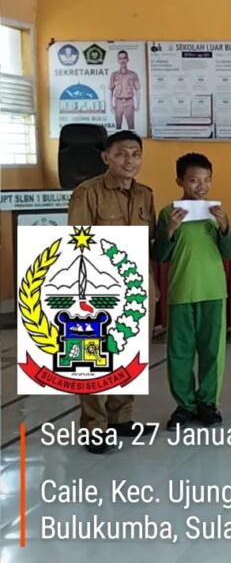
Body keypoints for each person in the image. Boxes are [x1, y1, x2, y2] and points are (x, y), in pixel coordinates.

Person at [66, 130, 157, 453]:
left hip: (138, 285)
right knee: (91, 357)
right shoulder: (87, 193)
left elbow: (149, 243)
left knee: (131, 351)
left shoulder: (145, 195)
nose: (129, 160)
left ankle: (121, 417)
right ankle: (93, 426)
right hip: (98, 287)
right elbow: (77, 242)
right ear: (106, 157)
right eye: (121, 154)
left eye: (135, 154)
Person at [155, 153, 231, 431]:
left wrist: (224, 226)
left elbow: (229, 252)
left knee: (213, 351)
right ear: (180, 181)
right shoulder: (168, 213)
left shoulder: (216, 213)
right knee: (180, 352)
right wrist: (170, 229)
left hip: (214, 292)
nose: (201, 186)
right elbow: (160, 255)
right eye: (193, 180)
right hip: (181, 292)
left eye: (206, 180)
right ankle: (185, 405)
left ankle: (208, 402)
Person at [109, 50, 141, 130]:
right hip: (118, 102)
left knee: (131, 126)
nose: (122, 60)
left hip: (129, 102)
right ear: (118, 60)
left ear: (127, 60)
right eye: (120, 58)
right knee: (118, 126)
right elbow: (111, 90)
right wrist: (110, 104)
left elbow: (138, 90)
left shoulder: (133, 74)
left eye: (124, 58)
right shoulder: (114, 75)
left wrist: (137, 104)